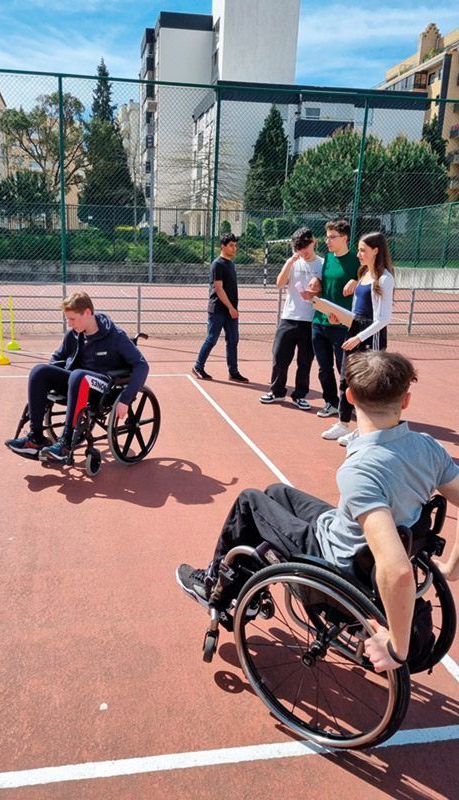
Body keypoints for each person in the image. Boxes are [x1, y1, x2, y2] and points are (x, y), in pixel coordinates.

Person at [176, 350, 459, 673]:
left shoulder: (361, 470)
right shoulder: (428, 447)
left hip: (339, 562)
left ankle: (215, 585)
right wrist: (452, 569)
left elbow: (397, 569)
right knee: (276, 492)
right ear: (405, 400)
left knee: (249, 501)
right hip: (354, 536)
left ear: (349, 397)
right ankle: (245, 588)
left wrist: (397, 647)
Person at [4, 291, 149, 463]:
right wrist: (42, 391)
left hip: (104, 387)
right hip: (76, 382)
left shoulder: (115, 336)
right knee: (39, 371)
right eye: (68, 319)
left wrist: (126, 399)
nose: (70, 324)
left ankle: (65, 444)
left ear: (87, 313)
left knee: (78, 375)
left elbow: (142, 365)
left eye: (72, 319)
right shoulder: (73, 334)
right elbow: (56, 359)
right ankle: (35, 438)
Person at [322, 232, 395, 446]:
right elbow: (357, 312)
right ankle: (343, 423)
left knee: (366, 384)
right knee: (346, 379)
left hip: (371, 336)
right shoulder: (363, 274)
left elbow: (383, 319)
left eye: (363, 250)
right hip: (355, 331)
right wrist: (341, 320)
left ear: (376, 251)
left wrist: (359, 337)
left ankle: (363, 430)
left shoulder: (385, 278)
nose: (359, 254)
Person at [260, 227, 323, 410]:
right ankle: (277, 391)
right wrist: (290, 262)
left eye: (305, 247)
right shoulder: (294, 262)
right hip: (289, 317)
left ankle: (300, 395)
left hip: (310, 320)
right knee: (279, 356)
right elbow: (279, 283)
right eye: (298, 248)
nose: (302, 251)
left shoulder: (322, 264)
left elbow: (325, 291)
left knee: (305, 361)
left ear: (313, 242)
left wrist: (313, 293)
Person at [311, 220, 359, 418]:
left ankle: (349, 404)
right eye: (327, 237)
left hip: (341, 325)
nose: (328, 241)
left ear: (344, 238)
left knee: (344, 368)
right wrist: (317, 280)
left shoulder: (356, 260)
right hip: (319, 321)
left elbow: (371, 280)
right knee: (324, 368)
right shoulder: (328, 259)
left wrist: (356, 281)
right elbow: (327, 282)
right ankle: (331, 403)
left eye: (332, 237)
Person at [192, 232, 249, 383]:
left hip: (231, 311)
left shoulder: (231, 264)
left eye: (235, 246)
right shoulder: (217, 264)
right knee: (212, 339)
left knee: (233, 341)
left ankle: (233, 372)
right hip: (218, 309)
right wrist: (231, 307)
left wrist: (232, 308)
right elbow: (219, 288)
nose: (234, 248)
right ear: (223, 246)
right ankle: (198, 366)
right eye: (231, 246)